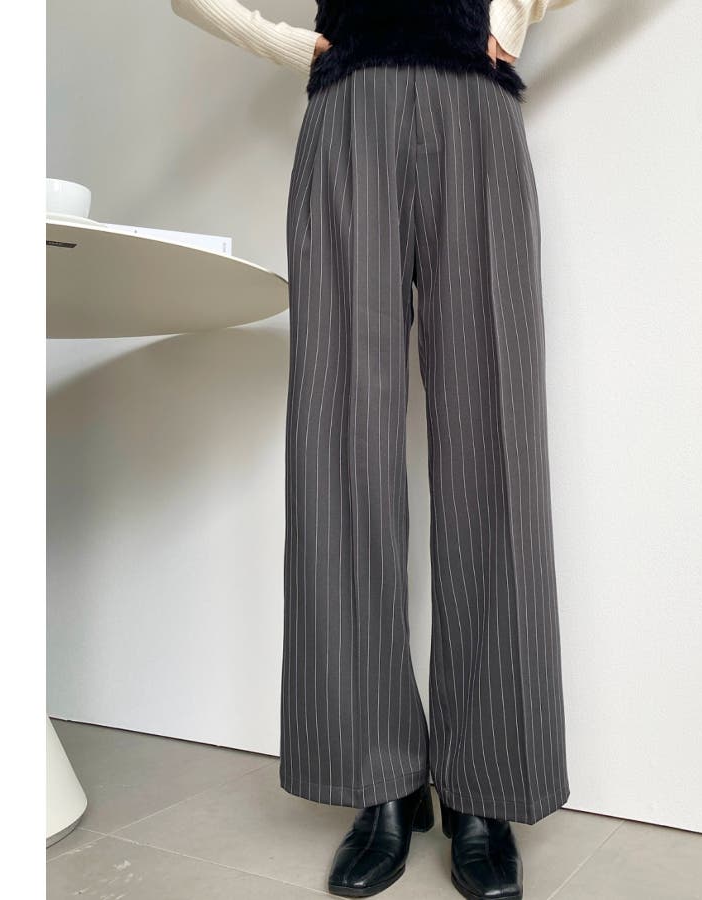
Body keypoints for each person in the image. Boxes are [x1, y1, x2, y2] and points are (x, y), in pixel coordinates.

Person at [170, 3, 575, 898]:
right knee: (340, 441)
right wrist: (284, 43)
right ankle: (379, 779)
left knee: (497, 443)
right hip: (349, 114)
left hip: (477, 111)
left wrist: (513, 14)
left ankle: (486, 787)